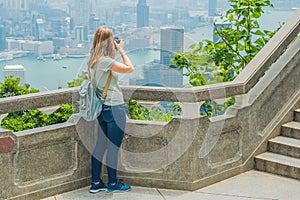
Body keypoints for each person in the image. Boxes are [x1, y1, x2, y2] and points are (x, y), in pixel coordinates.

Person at [87, 27, 134, 193]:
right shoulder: (106, 61)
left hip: (102, 109)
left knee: (100, 145)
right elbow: (129, 68)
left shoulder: (92, 60)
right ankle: (113, 183)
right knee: (113, 147)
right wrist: (121, 50)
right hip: (114, 107)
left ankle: (96, 183)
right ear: (109, 42)